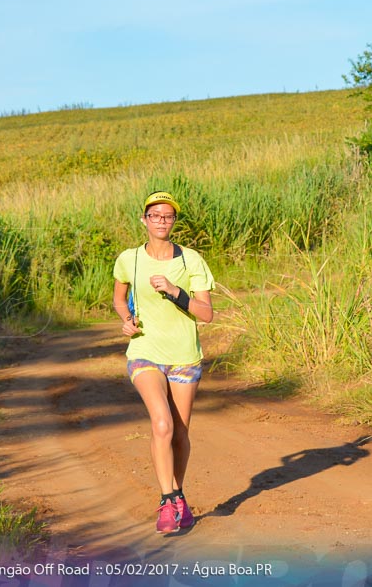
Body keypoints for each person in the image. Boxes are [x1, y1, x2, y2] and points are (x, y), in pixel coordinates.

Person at [112, 190, 216, 534]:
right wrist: (126, 319)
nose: (161, 221)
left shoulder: (191, 261)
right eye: (155, 215)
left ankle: (179, 495)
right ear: (144, 220)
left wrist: (176, 292)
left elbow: (207, 313)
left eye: (168, 216)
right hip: (144, 352)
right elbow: (118, 298)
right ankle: (167, 500)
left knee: (180, 433)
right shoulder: (130, 259)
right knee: (161, 424)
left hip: (185, 356)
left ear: (174, 221)